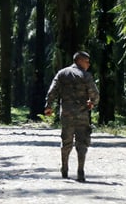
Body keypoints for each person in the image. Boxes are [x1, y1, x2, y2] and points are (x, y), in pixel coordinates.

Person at [44, 50, 100, 182]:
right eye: (87, 61)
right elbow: (95, 94)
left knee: (66, 141)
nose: (89, 64)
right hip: (82, 114)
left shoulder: (62, 73)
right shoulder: (86, 76)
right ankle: (80, 171)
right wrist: (92, 103)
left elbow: (52, 90)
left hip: (66, 113)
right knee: (82, 142)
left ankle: (64, 168)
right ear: (79, 60)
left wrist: (48, 106)